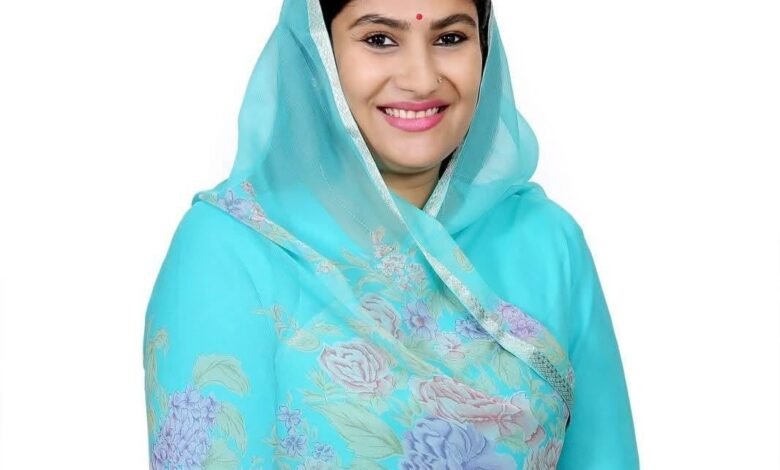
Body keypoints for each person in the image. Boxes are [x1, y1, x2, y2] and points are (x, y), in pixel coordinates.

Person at [142, 0, 640, 468]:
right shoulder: (233, 248)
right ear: (317, 52)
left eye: (450, 38)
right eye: (379, 39)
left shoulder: (546, 242)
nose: (421, 79)